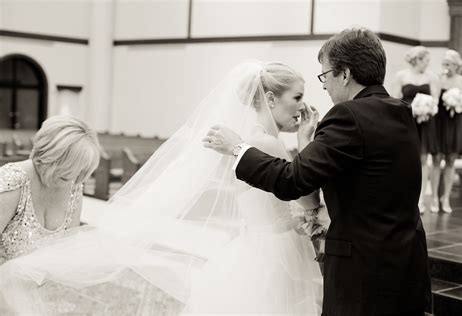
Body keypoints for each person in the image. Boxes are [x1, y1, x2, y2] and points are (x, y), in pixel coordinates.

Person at [0, 62, 324, 315]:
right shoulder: (266, 143)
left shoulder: (246, 143)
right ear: (270, 98)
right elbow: (302, 193)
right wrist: (306, 146)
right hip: (271, 251)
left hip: (253, 246)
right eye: (297, 97)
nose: (302, 106)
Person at [204, 28, 431, 316]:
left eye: (325, 76)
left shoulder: (348, 115)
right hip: (406, 264)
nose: (323, 87)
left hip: (364, 274)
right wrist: (307, 146)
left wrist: (238, 149)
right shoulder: (400, 111)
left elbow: (291, 181)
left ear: (345, 74)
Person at [0, 115, 100, 264]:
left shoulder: (73, 186)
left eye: (81, 167)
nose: (74, 174)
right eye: (68, 165)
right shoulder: (13, 181)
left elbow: (67, 250)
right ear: (49, 155)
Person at [392, 46, 440, 213]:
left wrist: (426, 109)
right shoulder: (402, 76)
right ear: (417, 60)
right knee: (405, 158)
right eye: (426, 60)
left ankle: (420, 199)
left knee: (423, 159)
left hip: (426, 121)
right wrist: (410, 109)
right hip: (407, 121)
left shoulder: (432, 77)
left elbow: (435, 99)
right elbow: (395, 98)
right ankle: (405, 195)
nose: (428, 64)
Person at [433, 50, 462, 213]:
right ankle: (434, 197)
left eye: (448, 64)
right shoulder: (438, 79)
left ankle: (446, 198)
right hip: (439, 122)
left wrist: (457, 105)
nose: (445, 67)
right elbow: (434, 100)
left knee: (450, 161)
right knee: (436, 159)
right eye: (443, 64)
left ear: (456, 66)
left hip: (455, 122)